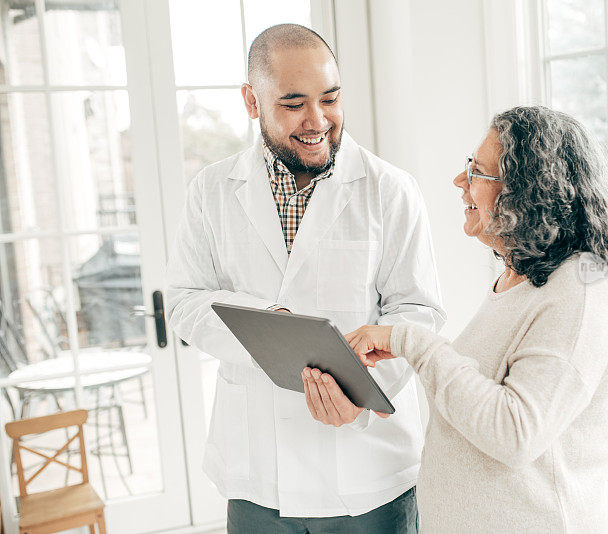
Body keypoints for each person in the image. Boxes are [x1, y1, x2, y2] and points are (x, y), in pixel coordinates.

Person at [165, 24, 444, 533]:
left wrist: (360, 397)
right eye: (293, 104)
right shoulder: (210, 191)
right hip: (256, 477)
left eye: (331, 99)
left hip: (367, 475)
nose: (319, 121)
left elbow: (418, 313)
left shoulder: (392, 191)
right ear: (252, 101)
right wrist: (265, 327)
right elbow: (184, 300)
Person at [332, 106, 608, 532]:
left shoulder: (581, 293)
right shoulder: (521, 279)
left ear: (526, 192)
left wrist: (412, 342)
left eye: (477, 172)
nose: (461, 182)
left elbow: (513, 433)